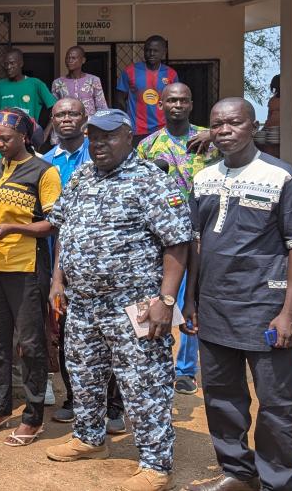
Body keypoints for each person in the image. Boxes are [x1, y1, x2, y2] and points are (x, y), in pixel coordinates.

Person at [44, 109, 191, 491]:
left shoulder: (150, 180)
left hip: (136, 303)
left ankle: (156, 465)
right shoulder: (82, 176)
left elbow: (177, 242)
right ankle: (89, 439)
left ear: (128, 137)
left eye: (108, 136)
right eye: (93, 137)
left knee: (144, 385)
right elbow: (64, 229)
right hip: (83, 303)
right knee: (84, 376)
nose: (98, 144)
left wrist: (167, 300)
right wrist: (58, 280)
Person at [184, 98, 292, 491]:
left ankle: (278, 482)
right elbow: (196, 244)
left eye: (234, 123)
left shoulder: (281, 177)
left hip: (265, 309)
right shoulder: (203, 178)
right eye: (216, 124)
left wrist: (289, 312)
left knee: (277, 403)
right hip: (215, 307)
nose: (224, 131)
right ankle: (239, 473)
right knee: (221, 397)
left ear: (253, 127)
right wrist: (190, 299)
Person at [0, 108, 61, 446]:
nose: (0, 144)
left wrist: (14, 229)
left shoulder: (44, 172)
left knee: (30, 344)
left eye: (6, 139)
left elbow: (53, 223)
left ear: (24, 136)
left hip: (26, 268)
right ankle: (0, 406)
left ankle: (33, 416)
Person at [43, 99, 127, 434]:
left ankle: (114, 406)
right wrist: (57, 277)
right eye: (60, 114)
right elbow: (62, 225)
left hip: (118, 280)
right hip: (65, 267)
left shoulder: (115, 165)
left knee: (114, 343)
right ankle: (75, 401)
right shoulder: (50, 165)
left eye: (73, 113)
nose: (66, 119)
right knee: (72, 340)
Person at [135, 82, 220, 396]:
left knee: (190, 297)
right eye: (171, 100)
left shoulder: (210, 139)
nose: (178, 105)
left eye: (184, 100)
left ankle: (185, 369)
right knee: (156, 295)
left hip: (200, 233)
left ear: (191, 104)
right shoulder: (148, 146)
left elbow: (249, 138)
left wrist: (214, 135)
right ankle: (153, 362)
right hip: (161, 237)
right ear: (161, 105)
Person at [117, 35, 178, 144]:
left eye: (155, 51)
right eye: (148, 50)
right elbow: (119, 98)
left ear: (164, 52)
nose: (151, 53)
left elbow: (175, 101)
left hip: (163, 130)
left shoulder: (171, 74)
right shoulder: (130, 71)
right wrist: (128, 119)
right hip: (136, 130)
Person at [0, 48, 57, 138]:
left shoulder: (35, 84)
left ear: (21, 63)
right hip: (4, 138)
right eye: (6, 64)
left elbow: (56, 108)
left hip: (29, 138)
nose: (8, 67)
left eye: (12, 63)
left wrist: (45, 134)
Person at [51, 46, 108, 117]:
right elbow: (55, 109)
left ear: (83, 60)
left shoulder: (93, 80)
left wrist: (99, 123)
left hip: (90, 123)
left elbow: (102, 107)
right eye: (67, 58)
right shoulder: (57, 83)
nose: (69, 61)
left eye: (73, 58)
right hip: (67, 122)